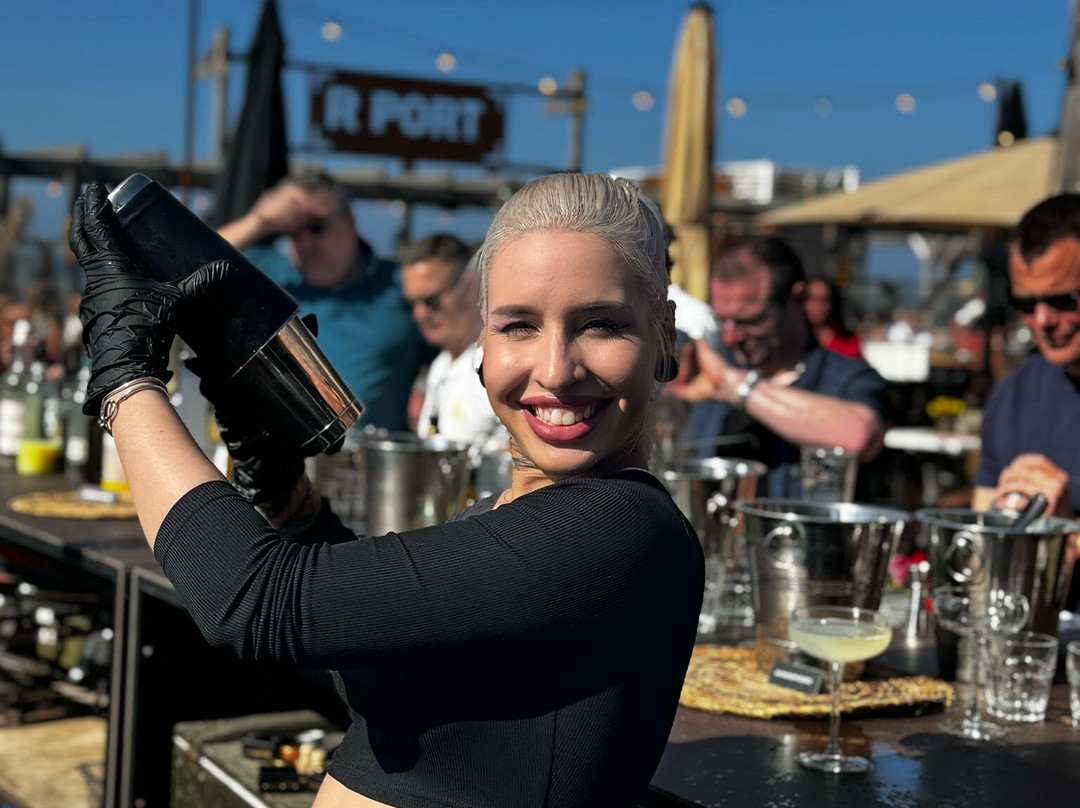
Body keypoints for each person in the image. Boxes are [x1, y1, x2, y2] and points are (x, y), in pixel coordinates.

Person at [70, 173, 704, 808]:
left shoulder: (617, 527)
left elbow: (254, 602)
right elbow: (372, 656)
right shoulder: (520, 516)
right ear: (482, 344)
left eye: (601, 324)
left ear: (665, 335)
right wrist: (283, 493)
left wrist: (125, 379)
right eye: (519, 326)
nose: (557, 370)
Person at [673, 236, 887, 498]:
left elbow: (859, 434)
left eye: (751, 320)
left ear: (797, 300)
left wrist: (733, 385)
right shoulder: (706, 371)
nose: (730, 337)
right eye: (722, 320)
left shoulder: (848, 377)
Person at [218, 172, 426, 432]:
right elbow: (192, 267)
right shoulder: (271, 277)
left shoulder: (402, 285)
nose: (305, 243)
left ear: (349, 221)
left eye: (316, 227)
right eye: (293, 232)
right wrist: (258, 221)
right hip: (276, 452)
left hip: (370, 453)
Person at [973, 194, 1080, 518]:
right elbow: (983, 517)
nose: (1043, 320)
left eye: (1064, 300)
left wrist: (1065, 532)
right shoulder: (1015, 394)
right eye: (1026, 304)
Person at [400, 234, 503, 451]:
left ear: (472, 284)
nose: (419, 314)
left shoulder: (499, 365)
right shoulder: (441, 365)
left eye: (432, 300)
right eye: (411, 304)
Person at [803, 277, 863, 360]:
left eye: (824, 299)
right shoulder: (792, 336)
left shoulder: (848, 340)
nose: (817, 306)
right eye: (811, 298)